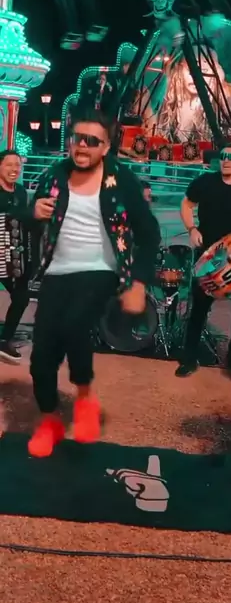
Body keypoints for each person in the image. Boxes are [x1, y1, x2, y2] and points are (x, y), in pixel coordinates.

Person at [27, 107, 160, 458]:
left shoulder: (122, 181)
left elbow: (149, 233)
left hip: (101, 268)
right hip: (56, 271)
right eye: (77, 138)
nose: (82, 146)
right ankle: (50, 421)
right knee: (41, 356)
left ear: (106, 147)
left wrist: (138, 283)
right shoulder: (53, 175)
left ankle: (84, 397)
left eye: (92, 140)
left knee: (75, 325)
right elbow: (32, 217)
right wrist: (34, 212)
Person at [176, 143, 231, 377]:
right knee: (198, 309)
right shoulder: (205, 182)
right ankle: (189, 359)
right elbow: (186, 204)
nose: (226, 160)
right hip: (208, 256)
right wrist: (191, 229)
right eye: (223, 156)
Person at [0, 150, 32, 364]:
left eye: (17, 165)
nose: (14, 169)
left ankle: (4, 341)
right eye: (9, 165)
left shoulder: (21, 192)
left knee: (22, 296)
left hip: (12, 257)